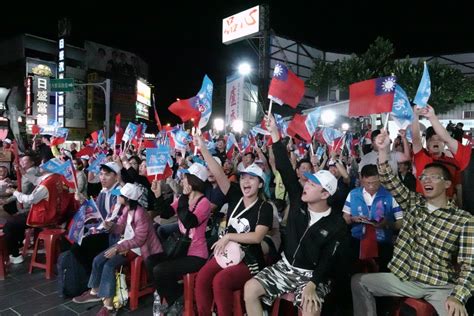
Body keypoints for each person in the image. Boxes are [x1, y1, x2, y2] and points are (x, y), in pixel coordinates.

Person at [351, 129, 473, 316]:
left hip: (441, 286)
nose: (426, 181)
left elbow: (469, 265)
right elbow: (389, 180)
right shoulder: (413, 203)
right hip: (406, 280)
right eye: (423, 177)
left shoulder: (463, 220)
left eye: (433, 177)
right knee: (358, 281)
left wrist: (458, 296)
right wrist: (384, 150)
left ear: (447, 184)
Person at [243, 114, 348, 316]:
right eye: (307, 181)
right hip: (286, 266)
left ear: (325, 194)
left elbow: (328, 259)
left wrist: (313, 283)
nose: (305, 185)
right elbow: (285, 168)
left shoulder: (336, 224)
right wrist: (274, 133)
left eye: (312, 184)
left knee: (311, 309)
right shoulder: (299, 201)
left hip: (313, 275)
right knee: (250, 289)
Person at [194, 135, 273, 316]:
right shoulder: (235, 195)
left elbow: (257, 237)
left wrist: (229, 236)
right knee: (203, 277)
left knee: (221, 281)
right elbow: (219, 173)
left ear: (260, 184)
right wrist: (204, 149)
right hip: (227, 253)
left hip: (250, 260)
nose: (246, 181)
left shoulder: (265, 207)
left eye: (252, 179)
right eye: (244, 177)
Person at [72, 183, 162, 316]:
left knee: (109, 265)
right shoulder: (127, 209)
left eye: (120, 195)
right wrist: (111, 226)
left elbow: (139, 240)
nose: (118, 196)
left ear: (127, 198)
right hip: (126, 243)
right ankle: (95, 291)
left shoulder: (140, 214)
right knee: (98, 259)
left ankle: (108, 307)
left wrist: (118, 248)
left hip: (138, 248)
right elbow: (120, 226)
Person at [146, 163, 212, 316]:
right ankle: (172, 297)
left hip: (195, 255)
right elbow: (165, 213)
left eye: (185, 178)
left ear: (194, 181)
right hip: (179, 248)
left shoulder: (204, 203)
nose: (182, 181)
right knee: (150, 260)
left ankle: (172, 299)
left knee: (160, 270)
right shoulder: (184, 198)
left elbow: (189, 221)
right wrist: (158, 195)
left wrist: (183, 198)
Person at [342, 164, 403, 271]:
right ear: (361, 179)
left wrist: (387, 224)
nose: (371, 186)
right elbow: (345, 217)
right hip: (357, 242)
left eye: (375, 182)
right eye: (367, 183)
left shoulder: (390, 195)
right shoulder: (353, 194)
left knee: (382, 276)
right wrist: (353, 219)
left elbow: (400, 222)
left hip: (383, 244)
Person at [412, 105, 471, 207]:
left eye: (439, 139)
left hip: (447, 207)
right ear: (427, 144)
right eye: (431, 140)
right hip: (423, 206)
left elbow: (458, 186)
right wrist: (415, 116)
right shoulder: (421, 157)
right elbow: (416, 139)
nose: (436, 142)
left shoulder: (453, 162)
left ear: (444, 143)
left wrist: (460, 205)